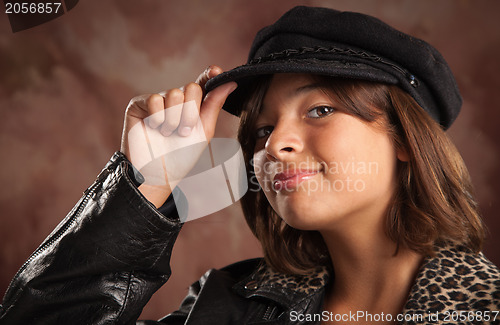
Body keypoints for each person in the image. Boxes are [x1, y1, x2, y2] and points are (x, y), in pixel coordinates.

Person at [1, 5, 499, 325]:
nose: (276, 143)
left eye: (320, 110)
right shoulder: (226, 307)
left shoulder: (485, 308)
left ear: (404, 140)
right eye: (261, 129)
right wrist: (147, 183)